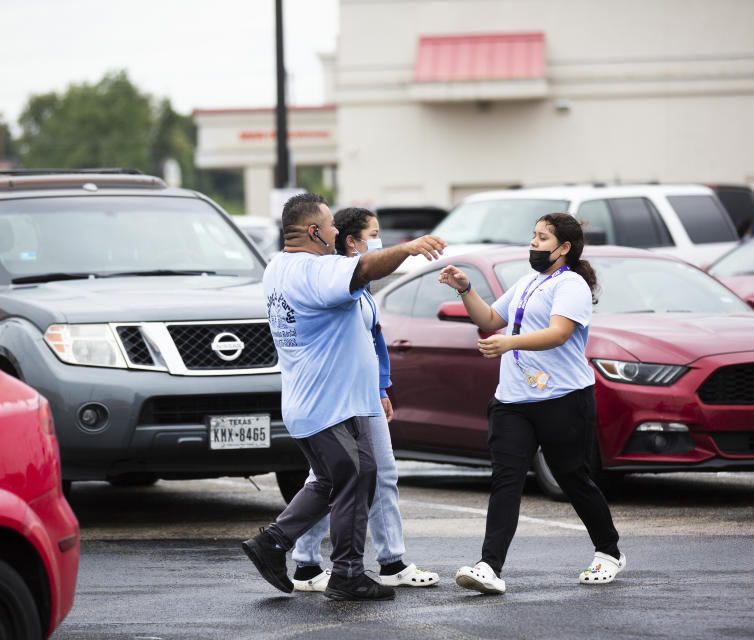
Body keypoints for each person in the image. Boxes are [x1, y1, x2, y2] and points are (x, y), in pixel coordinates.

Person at [242, 193, 446, 601]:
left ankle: (273, 543)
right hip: (327, 406)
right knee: (353, 477)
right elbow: (364, 268)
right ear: (314, 231)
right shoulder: (311, 271)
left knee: (343, 478)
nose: (337, 232)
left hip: (337, 403)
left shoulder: (281, 267)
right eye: (331, 226)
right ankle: (347, 573)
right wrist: (407, 248)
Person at [437, 212, 624, 595]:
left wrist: (509, 342)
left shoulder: (570, 284)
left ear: (564, 247)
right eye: (533, 236)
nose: (534, 243)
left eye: (542, 238)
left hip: (563, 398)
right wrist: (465, 288)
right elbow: (490, 317)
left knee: (573, 476)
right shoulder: (528, 282)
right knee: (506, 479)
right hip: (512, 401)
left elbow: (558, 333)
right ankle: (489, 566)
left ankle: (609, 551)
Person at [290, 207, 440, 593]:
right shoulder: (334, 279)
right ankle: (305, 562)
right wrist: (408, 250)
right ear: (352, 241)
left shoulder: (361, 284)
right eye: (373, 233)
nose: (379, 238)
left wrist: (381, 387)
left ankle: (392, 560)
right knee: (330, 478)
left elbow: (372, 340)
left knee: (382, 474)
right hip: (335, 397)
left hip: (364, 393)